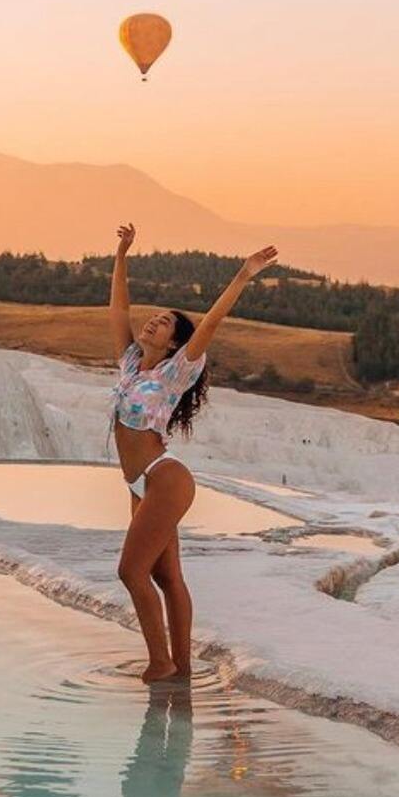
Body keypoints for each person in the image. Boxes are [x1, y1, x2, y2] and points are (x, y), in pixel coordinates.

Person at [108, 223, 277, 682]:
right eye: (155, 316)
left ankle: (160, 663)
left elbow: (211, 324)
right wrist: (122, 255)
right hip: (139, 484)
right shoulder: (129, 362)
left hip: (164, 477)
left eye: (164, 323)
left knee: (131, 571)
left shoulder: (175, 372)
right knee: (164, 577)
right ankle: (181, 668)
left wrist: (243, 275)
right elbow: (119, 307)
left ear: (175, 342)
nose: (153, 321)